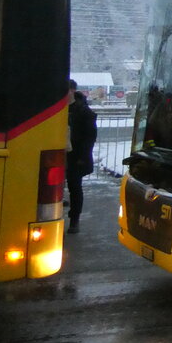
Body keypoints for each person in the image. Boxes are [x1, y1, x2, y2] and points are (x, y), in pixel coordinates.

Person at [66, 80, 98, 234]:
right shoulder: (58, 110)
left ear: (72, 91)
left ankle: (74, 220)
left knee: (75, 187)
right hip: (60, 155)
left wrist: (83, 157)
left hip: (75, 156)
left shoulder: (84, 112)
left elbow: (90, 138)